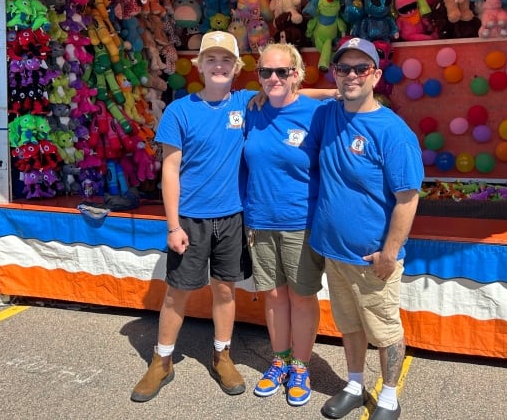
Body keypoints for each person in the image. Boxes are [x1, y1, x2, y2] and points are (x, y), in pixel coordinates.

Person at [130, 31, 258, 402]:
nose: (219, 66)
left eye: (226, 60)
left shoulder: (247, 103)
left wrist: (336, 93)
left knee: (224, 289)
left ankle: (222, 355)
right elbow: (170, 171)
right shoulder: (180, 110)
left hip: (232, 217)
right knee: (177, 293)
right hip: (190, 219)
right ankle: (162, 360)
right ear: (200, 65)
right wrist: (173, 226)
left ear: (236, 68)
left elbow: (291, 97)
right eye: (212, 59)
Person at [309, 38, 424, 420]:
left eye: (362, 69)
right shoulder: (329, 113)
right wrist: (265, 94)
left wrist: (390, 252)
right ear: (335, 75)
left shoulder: (393, 132)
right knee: (350, 325)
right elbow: (294, 92)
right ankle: (355, 384)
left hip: (373, 258)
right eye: (344, 69)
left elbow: (407, 199)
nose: (352, 75)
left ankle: (389, 395)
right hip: (335, 252)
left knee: (385, 330)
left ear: (376, 74)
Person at [243, 42, 327, 407]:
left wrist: (324, 90)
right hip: (259, 220)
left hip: (301, 221)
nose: (273, 78)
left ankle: (302, 366)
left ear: (297, 73)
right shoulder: (250, 107)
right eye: (266, 71)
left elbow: (340, 95)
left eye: (283, 71)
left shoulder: (317, 112)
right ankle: (280, 359)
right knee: (274, 296)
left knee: (302, 296)